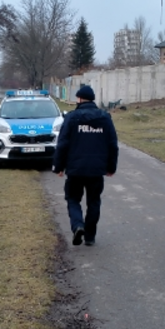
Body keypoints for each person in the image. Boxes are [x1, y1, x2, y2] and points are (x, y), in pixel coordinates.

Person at [52, 85, 119, 246]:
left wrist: (58, 166)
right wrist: (111, 167)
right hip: (97, 170)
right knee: (94, 201)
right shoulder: (105, 118)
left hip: (75, 169)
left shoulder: (72, 117)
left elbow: (62, 144)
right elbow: (112, 144)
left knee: (73, 199)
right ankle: (89, 236)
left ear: (80, 99)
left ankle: (77, 225)